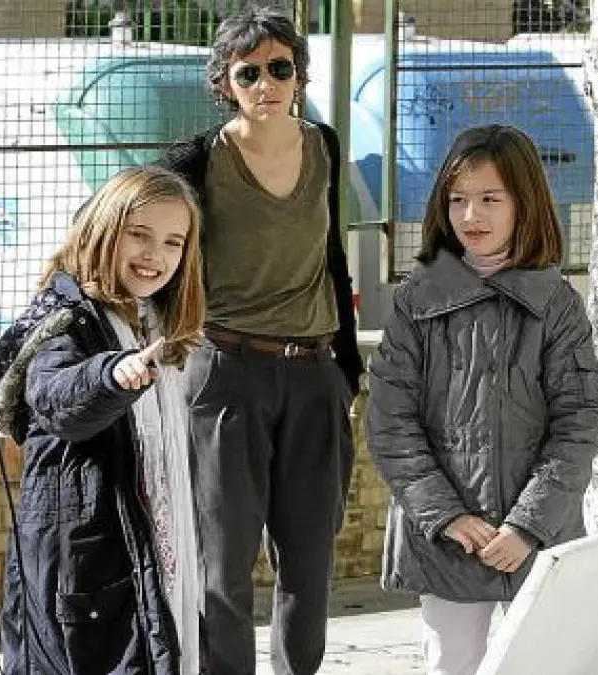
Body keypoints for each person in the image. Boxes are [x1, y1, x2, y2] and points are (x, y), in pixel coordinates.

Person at [155, 6, 364, 675]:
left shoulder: (324, 145)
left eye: (280, 68)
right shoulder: (196, 161)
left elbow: (332, 255)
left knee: (309, 561)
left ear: (299, 74)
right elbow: (137, 236)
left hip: (314, 372)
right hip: (227, 373)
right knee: (224, 565)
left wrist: (346, 371)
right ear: (225, 82)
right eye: (249, 73)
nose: (266, 84)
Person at [365, 124, 598, 675]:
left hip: (536, 536)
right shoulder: (416, 301)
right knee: (452, 664)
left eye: (490, 199)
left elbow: (578, 423)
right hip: (448, 540)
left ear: (525, 202)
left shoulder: (557, 304)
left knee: (543, 664)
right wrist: (447, 516)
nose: (471, 215)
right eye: (458, 199)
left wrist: (527, 526)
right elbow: (390, 421)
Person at [0, 165, 206, 674]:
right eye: (139, 235)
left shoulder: (154, 319)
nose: (155, 255)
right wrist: (111, 376)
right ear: (103, 230)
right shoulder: (66, 320)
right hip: (83, 562)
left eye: (173, 242)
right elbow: (56, 399)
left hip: (144, 550)